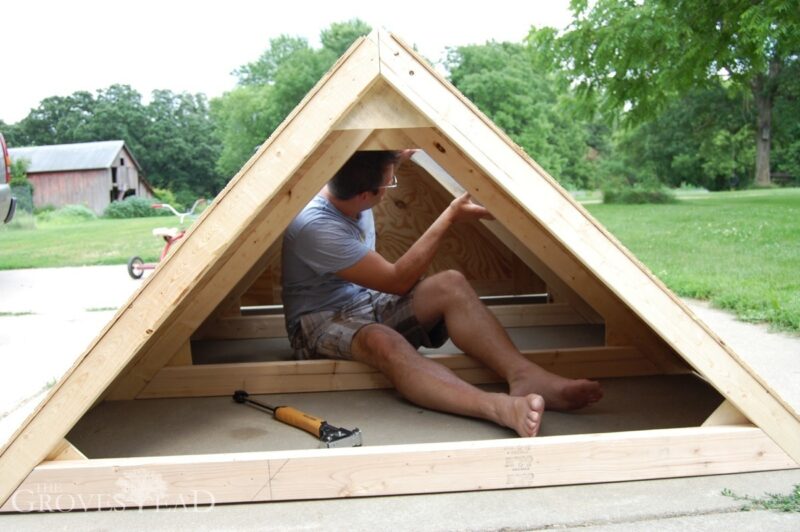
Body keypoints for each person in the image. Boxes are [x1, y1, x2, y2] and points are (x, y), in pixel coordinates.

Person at [281, 150, 603, 437]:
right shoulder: (315, 227)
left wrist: (402, 148)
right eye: (390, 179)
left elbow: (385, 150)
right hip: (316, 322)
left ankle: (525, 375)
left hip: (363, 301)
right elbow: (398, 281)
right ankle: (498, 408)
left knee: (450, 283)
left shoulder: (348, 173)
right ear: (367, 195)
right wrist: (450, 216)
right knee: (381, 339)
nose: (394, 179)